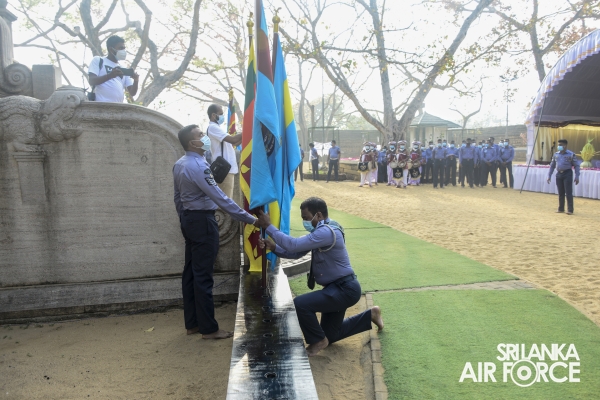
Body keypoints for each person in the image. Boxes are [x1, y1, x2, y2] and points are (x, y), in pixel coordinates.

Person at [255, 197, 384, 356]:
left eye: (307, 218)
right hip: (337, 289)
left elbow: (293, 245)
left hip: (345, 289)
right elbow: (295, 253)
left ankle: (317, 341)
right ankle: (370, 315)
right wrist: (273, 247)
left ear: (319, 215)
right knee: (331, 335)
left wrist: (268, 226)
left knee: (300, 304)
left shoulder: (327, 232)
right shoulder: (322, 230)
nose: (305, 222)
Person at [173, 125, 259, 339]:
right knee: (203, 276)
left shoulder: (180, 164)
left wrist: (184, 218)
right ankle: (209, 329)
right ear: (192, 143)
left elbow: (177, 197)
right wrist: (251, 219)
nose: (204, 138)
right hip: (202, 221)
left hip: (189, 219)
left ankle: (192, 324)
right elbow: (221, 198)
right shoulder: (198, 167)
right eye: (200, 136)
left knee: (191, 273)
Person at [206, 104, 243, 199]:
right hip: (224, 169)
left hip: (227, 169)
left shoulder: (217, 128)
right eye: (220, 114)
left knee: (227, 200)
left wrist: (247, 135)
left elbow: (234, 143)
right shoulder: (213, 128)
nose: (222, 116)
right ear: (213, 115)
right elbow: (233, 140)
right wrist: (249, 130)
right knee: (226, 203)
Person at [88, 35, 139, 103]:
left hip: (117, 108)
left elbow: (132, 93)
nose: (123, 51)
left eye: (124, 48)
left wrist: (136, 80)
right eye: (120, 48)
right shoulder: (99, 60)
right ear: (111, 49)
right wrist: (109, 76)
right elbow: (91, 80)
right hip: (100, 105)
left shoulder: (124, 69)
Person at [547, 139, 581, 215]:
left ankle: (570, 209)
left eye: (561, 145)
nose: (559, 146)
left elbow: (576, 166)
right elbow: (552, 166)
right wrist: (549, 175)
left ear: (565, 145)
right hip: (559, 174)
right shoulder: (556, 154)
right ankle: (561, 208)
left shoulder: (571, 154)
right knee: (560, 192)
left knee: (568, 192)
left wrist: (577, 176)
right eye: (558, 145)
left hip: (567, 173)